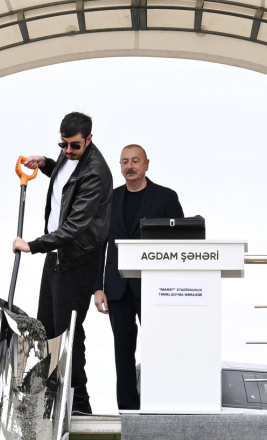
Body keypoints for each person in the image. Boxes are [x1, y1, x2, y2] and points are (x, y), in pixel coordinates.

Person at [15, 112, 113, 414]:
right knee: (46, 330)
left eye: (74, 146)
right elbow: (66, 180)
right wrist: (46, 163)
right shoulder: (69, 159)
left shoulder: (96, 173)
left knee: (67, 332)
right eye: (63, 144)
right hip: (58, 256)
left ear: (90, 139)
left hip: (77, 258)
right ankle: (51, 400)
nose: (68, 151)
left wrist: (33, 245)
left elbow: (75, 227)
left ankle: (80, 406)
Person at [94, 145, 184, 410]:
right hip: (116, 287)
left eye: (135, 161)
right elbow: (99, 245)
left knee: (159, 348)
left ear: (146, 164)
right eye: (124, 162)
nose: (129, 166)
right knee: (122, 352)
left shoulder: (166, 197)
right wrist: (97, 288)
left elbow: (181, 243)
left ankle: (160, 406)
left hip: (154, 287)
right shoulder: (108, 199)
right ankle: (128, 411)